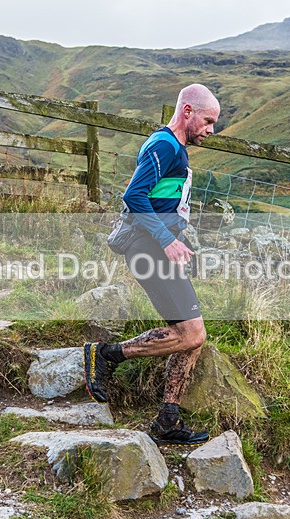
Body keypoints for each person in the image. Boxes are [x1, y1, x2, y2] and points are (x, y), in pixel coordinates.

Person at [84, 84, 220, 446]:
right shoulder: (165, 145)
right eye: (208, 121)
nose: (211, 130)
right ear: (188, 111)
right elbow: (134, 196)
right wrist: (167, 240)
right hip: (148, 249)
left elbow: (161, 202)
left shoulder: (175, 148)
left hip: (158, 248)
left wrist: (177, 239)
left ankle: (167, 420)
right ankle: (106, 354)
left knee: (191, 337)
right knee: (193, 334)